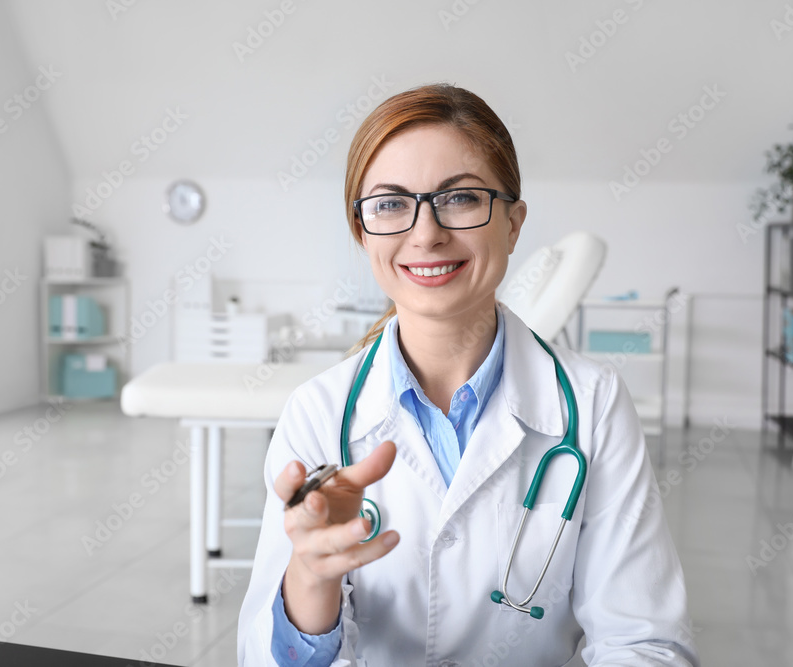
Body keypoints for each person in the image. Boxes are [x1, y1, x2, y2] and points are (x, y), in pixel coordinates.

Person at [238, 83, 699, 666]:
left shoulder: (595, 403)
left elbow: (645, 643)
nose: (425, 233)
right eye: (389, 203)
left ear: (513, 222)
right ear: (362, 233)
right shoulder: (318, 413)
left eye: (459, 199)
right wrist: (310, 578)